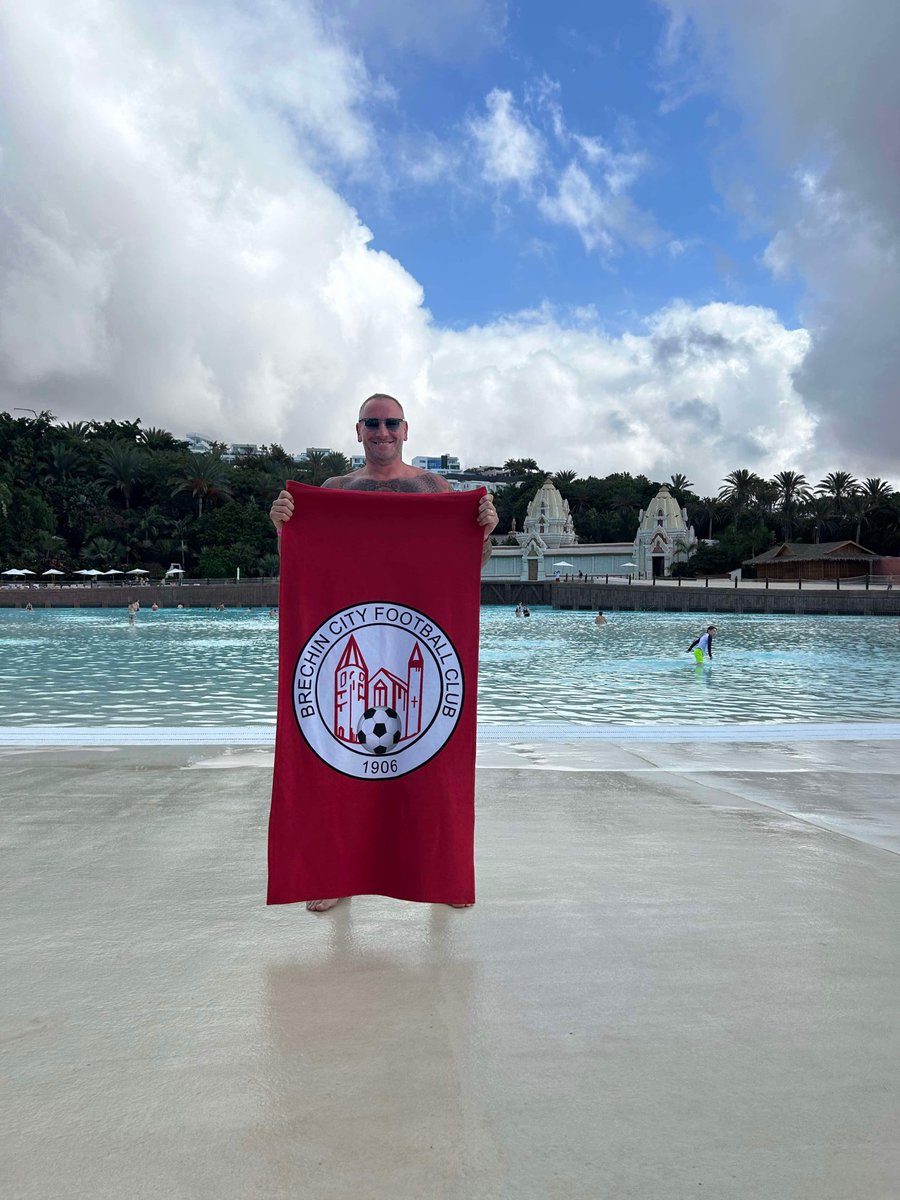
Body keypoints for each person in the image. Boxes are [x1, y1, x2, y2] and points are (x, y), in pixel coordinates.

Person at [269, 393, 499, 913]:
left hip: (413, 637)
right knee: (336, 761)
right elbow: (303, 561)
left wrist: (485, 529)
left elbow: (469, 564)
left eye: (390, 422)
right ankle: (333, 875)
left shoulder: (432, 488)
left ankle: (442, 875)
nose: (382, 430)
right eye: (372, 423)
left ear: (406, 428)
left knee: (431, 768)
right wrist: (281, 523)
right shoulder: (333, 491)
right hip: (353, 635)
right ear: (358, 431)